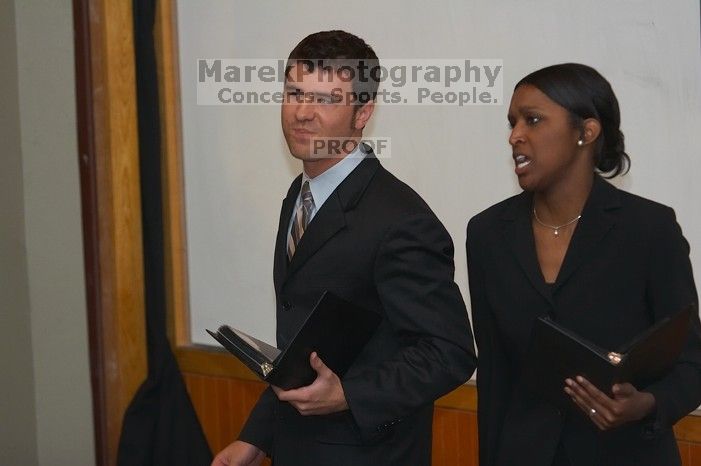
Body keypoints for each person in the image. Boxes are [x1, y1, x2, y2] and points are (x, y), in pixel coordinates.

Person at [212, 30, 477, 466]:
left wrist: (349, 395)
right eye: (294, 92)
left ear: (363, 113)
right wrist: (255, 439)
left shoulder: (400, 219)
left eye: (327, 99)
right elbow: (304, 347)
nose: (303, 113)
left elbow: (449, 352)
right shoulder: (299, 196)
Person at [466, 63, 701, 466]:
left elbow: (692, 362)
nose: (515, 135)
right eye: (513, 122)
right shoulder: (488, 233)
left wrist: (646, 403)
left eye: (533, 120)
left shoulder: (649, 229)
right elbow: (495, 377)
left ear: (586, 132)